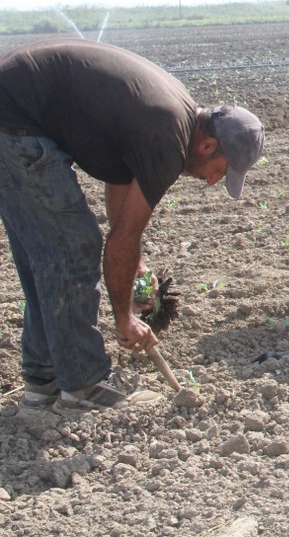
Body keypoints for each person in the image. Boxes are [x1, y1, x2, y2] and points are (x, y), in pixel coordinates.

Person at [0, 39, 264, 412]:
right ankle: (84, 385)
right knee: (73, 247)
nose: (211, 182)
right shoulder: (167, 142)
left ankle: (45, 382)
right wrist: (124, 317)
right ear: (207, 146)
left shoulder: (175, 117)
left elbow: (120, 190)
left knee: (45, 254)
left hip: (11, 113)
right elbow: (121, 241)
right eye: (219, 171)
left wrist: (135, 266)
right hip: (15, 123)